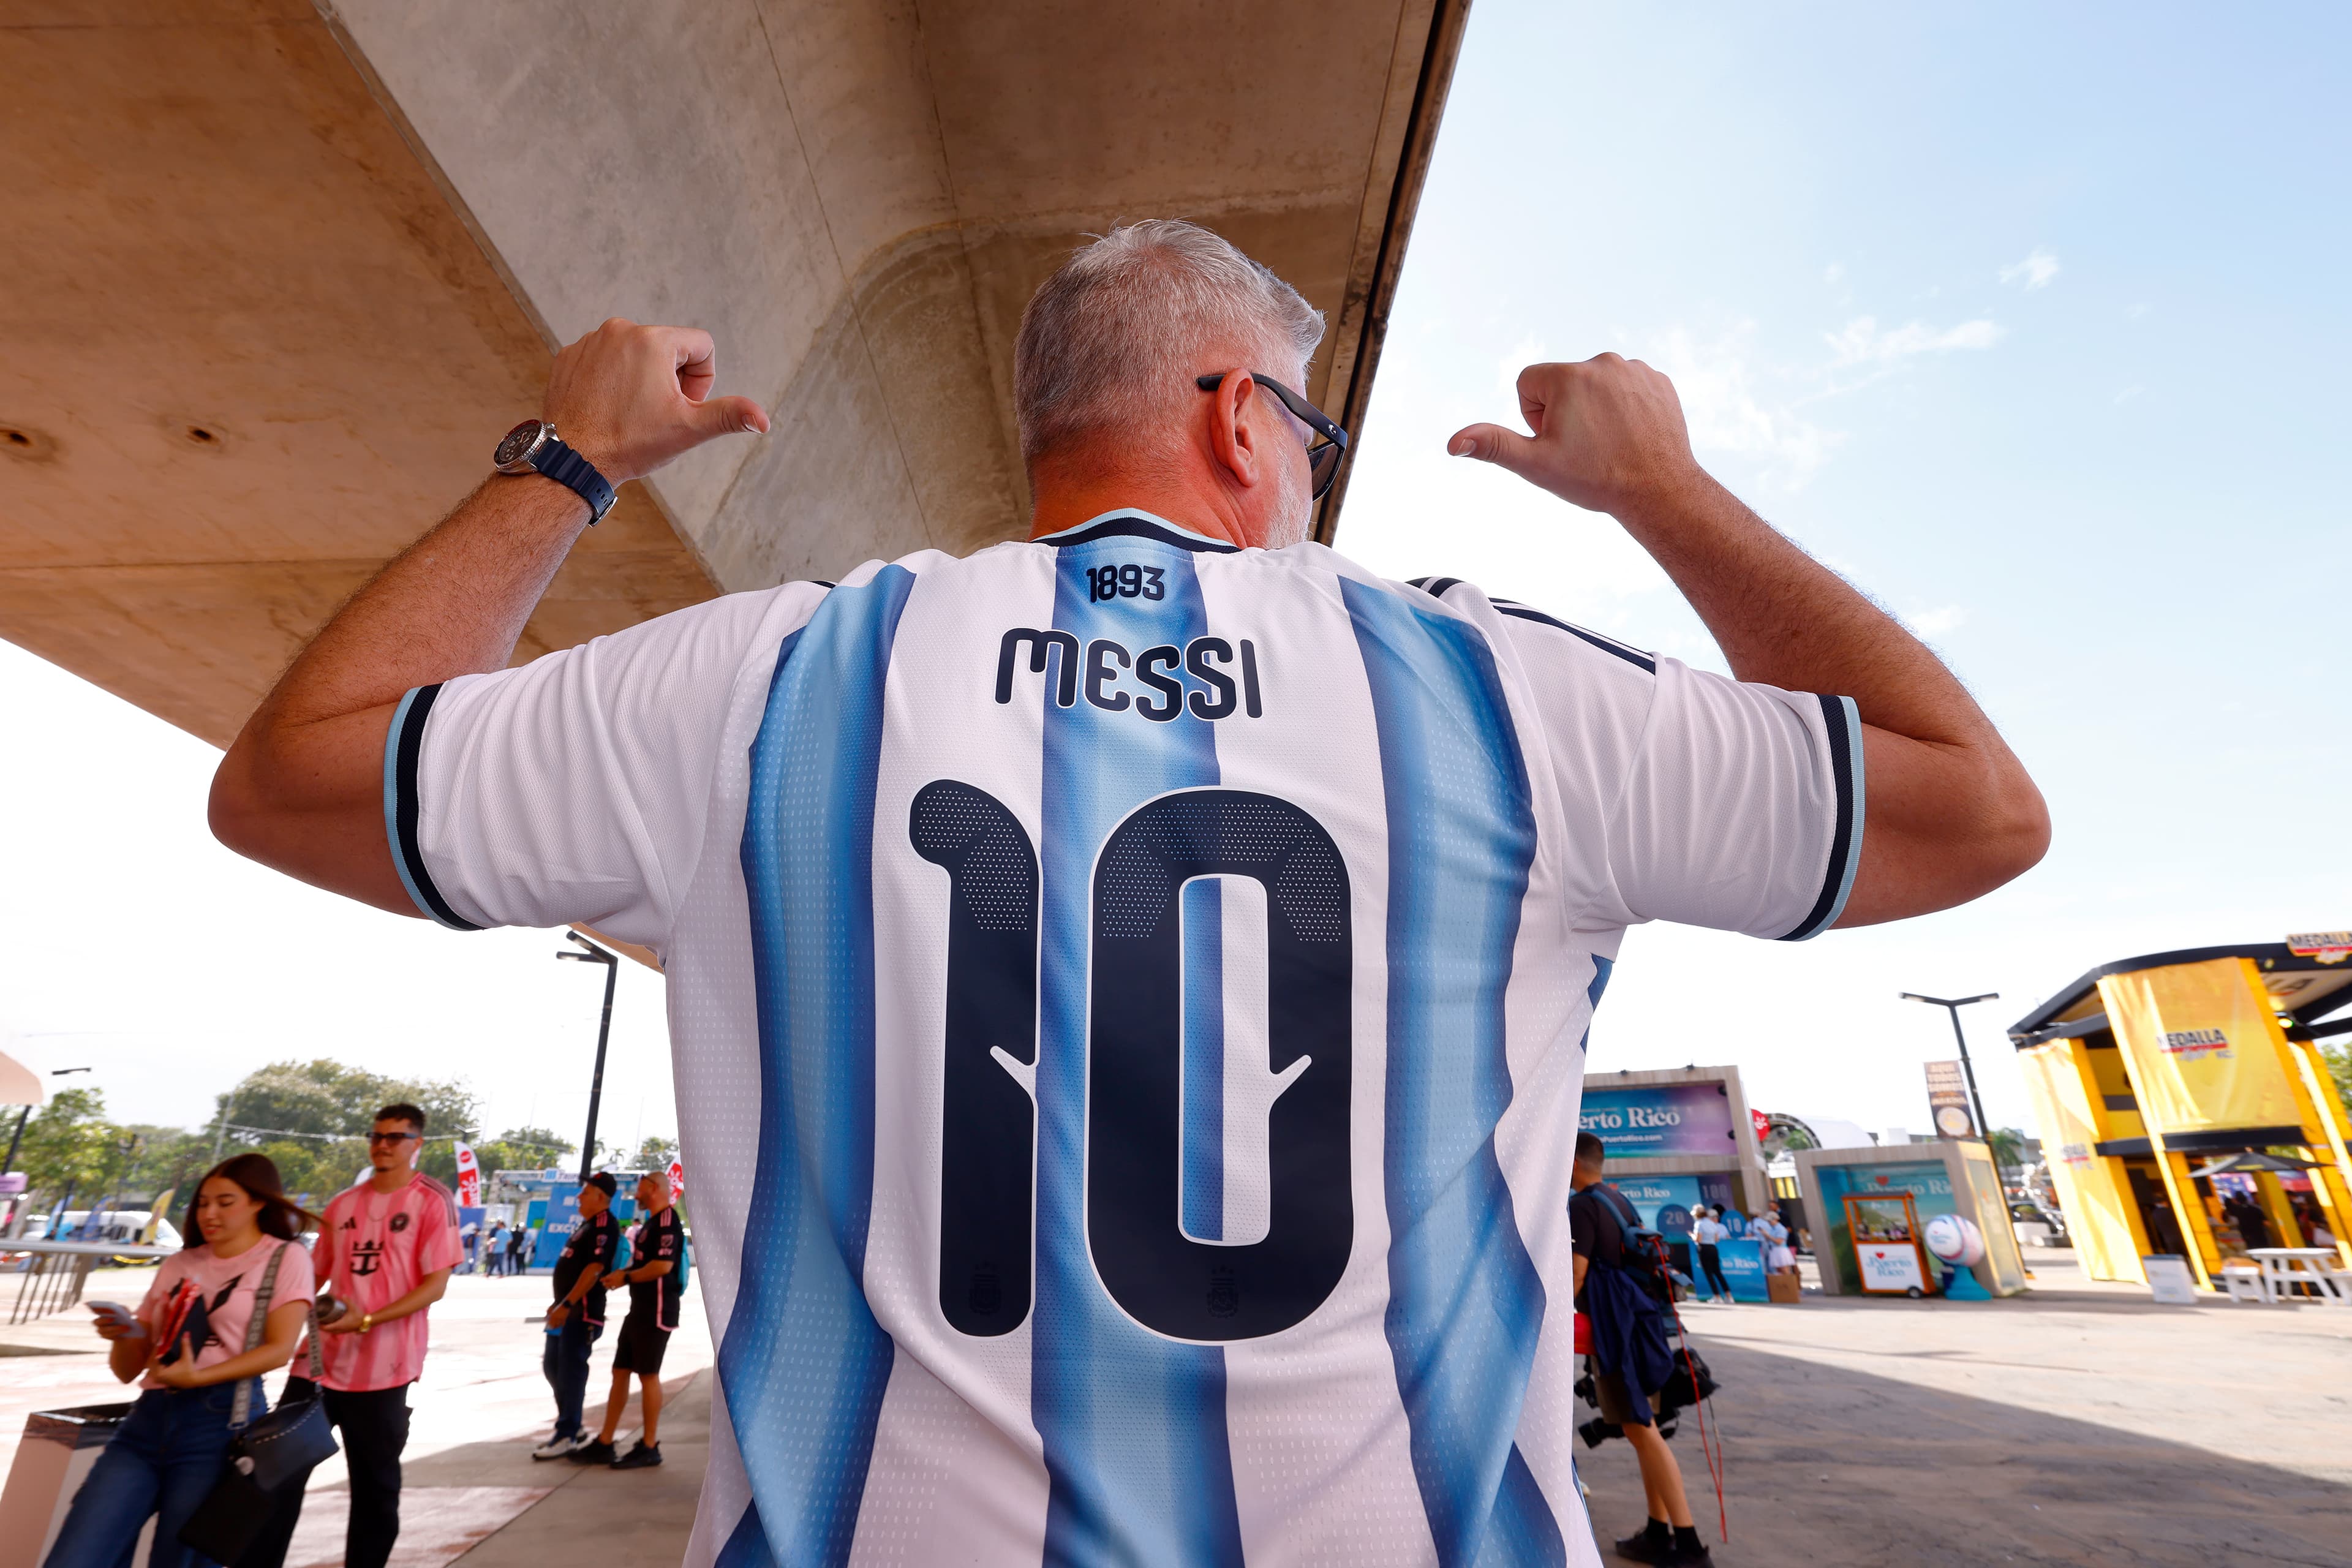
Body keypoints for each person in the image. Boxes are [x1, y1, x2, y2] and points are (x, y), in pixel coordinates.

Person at [208, 219, 2046, 1562]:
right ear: (1243, 422)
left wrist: (572, 458)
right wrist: (1662, 488)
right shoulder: (1494, 688)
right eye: (1313, 440)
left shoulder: (763, 680)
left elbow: (291, 778)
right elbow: (1969, 806)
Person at [43, 1154, 318, 1568]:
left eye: (226, 1203)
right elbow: (128, 1370)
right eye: (203, 1202)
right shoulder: (180, 1263)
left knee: (181, 1560)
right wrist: (123, 1336)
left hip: (221, 1426)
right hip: (146, 1423)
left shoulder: (286, 1258)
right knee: (76, 1555)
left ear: (259, 1203)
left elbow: (279, 1350)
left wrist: (200, 1376)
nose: (210, 1213)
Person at [243, 1104, 461, 1568]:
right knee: (277, 1475)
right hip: (318, 1367)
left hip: (385, 1370)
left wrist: (367, 1320)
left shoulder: (432, 1200)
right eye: (376, 1135)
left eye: (395, 1137)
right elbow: (311, 1277)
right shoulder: (344, 1204)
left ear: (416, 1144)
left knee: (375, 1489)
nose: (383, 1144)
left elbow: (435, 1286)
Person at [1570, 1134, 1705, 1565]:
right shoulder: (1619, 1201)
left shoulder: (1582, 1207)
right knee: (1643, 1430)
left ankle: (1688, 1545)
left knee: (1642, 1430)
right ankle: (1657, 1531)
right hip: (1643, 1329)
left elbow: (1577, 1274)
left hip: (1615, 1333)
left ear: (1572, 1161)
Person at [575, 1169, 685, 1469]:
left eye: (640, 1186)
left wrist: (626, 1276)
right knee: (621, 1370)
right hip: (640, 1309)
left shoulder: (666, 1221)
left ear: (653, 1187)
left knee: (648, 1374)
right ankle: (606, 1441)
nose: (636, 1192)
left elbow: (663, 1266)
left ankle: (650, 1446)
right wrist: (625, 1277)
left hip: (657, 1310)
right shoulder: (651, 1222)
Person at [533, 1172, 620, 1460]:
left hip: (580, 1313)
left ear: (600, 1196)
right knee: (552, 1368)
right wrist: (558, 1304)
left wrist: (568, 1305)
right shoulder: (587, 1225)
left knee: (570, 1372)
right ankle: (571, 1424)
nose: (580, 1197)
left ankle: (568, 1432)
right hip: (564, 1310)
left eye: (586, 1192)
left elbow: (594, 1269)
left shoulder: (605, 1224)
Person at [1689, 1207, 1732, 1305]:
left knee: (1709, 1274)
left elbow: (1698, 1240)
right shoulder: (1712, 1223)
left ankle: (1717, 1297)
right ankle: (1729, 1296)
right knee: (1718, 1273)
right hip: (1713, 1248)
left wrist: (1692, 1236)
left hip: (1704, 1249)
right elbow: (1716, 1239)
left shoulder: (1699, 1224)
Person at [1754, 1203, 1796, 1275]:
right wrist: (1765, 1235)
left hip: (1781, 1251)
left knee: (1784, 1270)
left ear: (1775, 1220)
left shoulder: (1781, 1229)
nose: (1769, 1223)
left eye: (1770, 1221)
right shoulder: (1772, 1229)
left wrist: (1768, 1236)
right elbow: (1770, 1240)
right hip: (1774, 1250)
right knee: (1778, 1271)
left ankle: (1789, 1285)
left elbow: (1779, 1242)